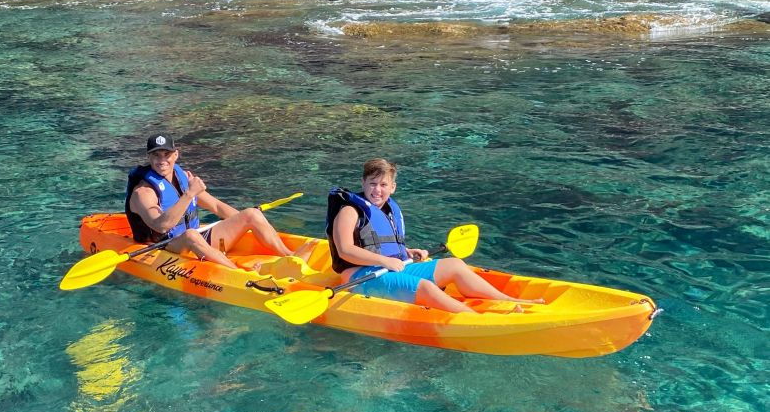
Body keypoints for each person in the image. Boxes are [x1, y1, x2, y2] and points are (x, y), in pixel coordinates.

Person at [326, 158, 544, 314]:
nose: (377, 190)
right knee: (425, 286)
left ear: (393, 187)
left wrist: (406, 252)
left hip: (390, 266)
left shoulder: (388, 209)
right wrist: (385, 261)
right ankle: (475, 318)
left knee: (455, 265)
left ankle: (509, 300)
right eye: (372, 183)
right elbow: (346, 250)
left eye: (383, 185)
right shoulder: (350, 210)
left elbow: (379, 244)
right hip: (358, 277)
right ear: (363, 183)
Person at [126, 133, 314, 269]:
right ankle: (238, 272)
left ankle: (291, 257)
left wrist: (248, 222)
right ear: (149, 157)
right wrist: (190, 194)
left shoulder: (182, 177)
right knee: (191, 235)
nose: (162, 160)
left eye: (166, 154)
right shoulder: (143, 192)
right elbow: (162, 226)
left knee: (251, 213)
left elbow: (216, 206)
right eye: (156, 155)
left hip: (197, 239)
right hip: (167, 247)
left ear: (176, 155)